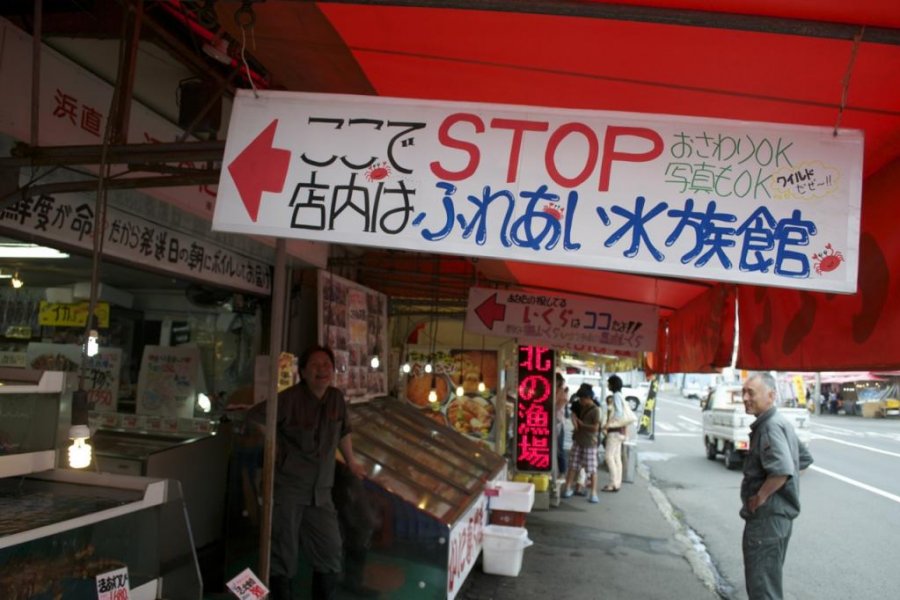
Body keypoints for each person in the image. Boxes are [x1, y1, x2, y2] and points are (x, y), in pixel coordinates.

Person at [247, 345, 366, 600]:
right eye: (315, 365)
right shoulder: (289, 399)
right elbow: (255, 417)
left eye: (326, 365)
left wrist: (352, 462)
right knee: (283, 552)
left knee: (331, 549)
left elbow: (343, 432)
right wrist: (273, 443)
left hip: (321, 492)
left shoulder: (335, 398)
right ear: (302, 371)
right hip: (289, 488)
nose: (321, 370)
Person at [740, 373, 814, 600]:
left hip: (767, 521)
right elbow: (803, 459)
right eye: (743, 392)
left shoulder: (770, 426)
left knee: (763, 589)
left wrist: (760, 497)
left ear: (771, 396)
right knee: (768, 581)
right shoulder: (780, 422)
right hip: (778, 520)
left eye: (750, 393)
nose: (744, 398)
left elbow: (782, 469)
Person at [562, 384, 601, 503]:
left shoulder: (596, 410)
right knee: (572, 465)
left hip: (589, 442)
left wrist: (582, 425)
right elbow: (574, 416)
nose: (580, 401)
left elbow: (595, 428)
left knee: (591, 469)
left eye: (582, 399)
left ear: (588, 397)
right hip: (578, 440)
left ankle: (593, 493)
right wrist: (576, 423)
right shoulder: (582, 406)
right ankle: (568, 488)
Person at [601, 375, 627, 492]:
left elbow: (619, 414)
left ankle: (612, 484)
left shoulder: (616, 396)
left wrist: (608, 424)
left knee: (609, 456)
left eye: (609, 383)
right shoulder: (621, 396)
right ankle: (617, 483)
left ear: (613, 384)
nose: (608, 385)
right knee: (616, 457)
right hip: (621, 431)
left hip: (615, 431)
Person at [554, 373, 569, 476]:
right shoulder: (553, 390)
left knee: (559, 448)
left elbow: (559, 406)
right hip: (552, 421)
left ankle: (562, 471)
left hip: (558, 422)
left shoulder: (562, 392)